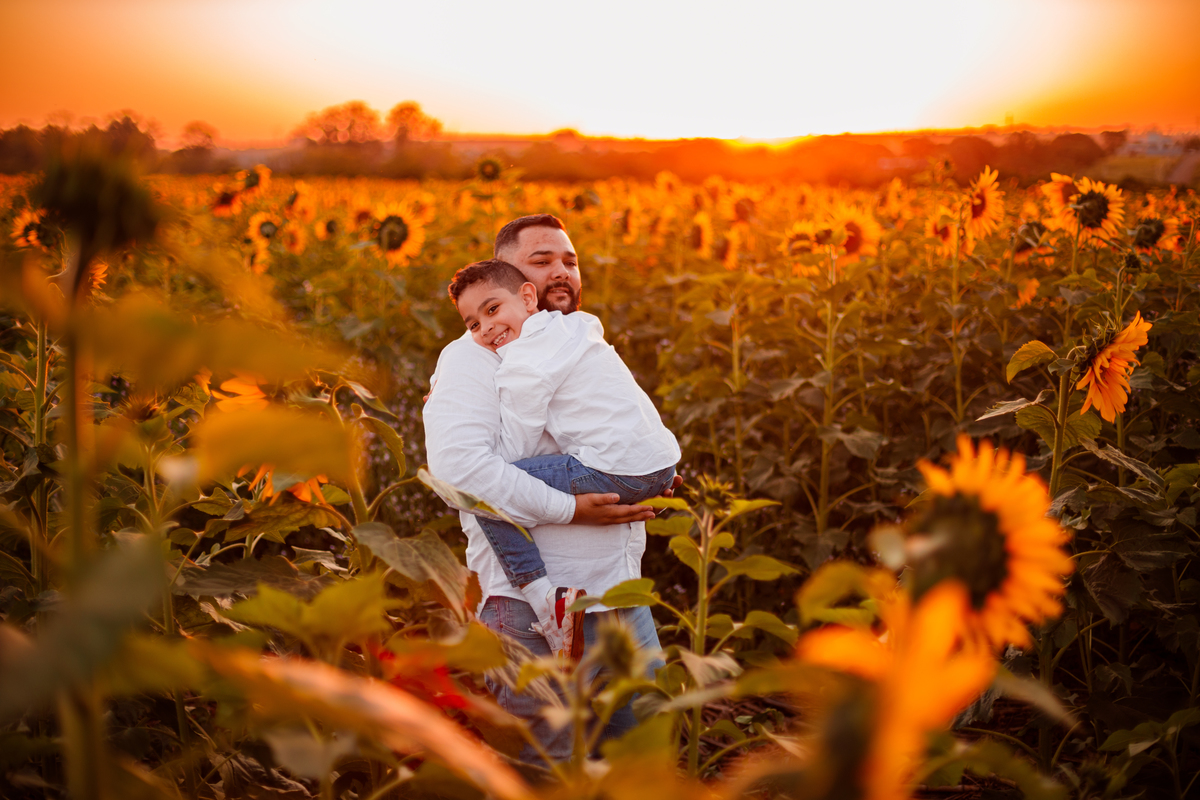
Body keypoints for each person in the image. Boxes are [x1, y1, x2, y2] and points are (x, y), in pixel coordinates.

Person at [422, 214, 673, 764]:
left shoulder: (569, 340)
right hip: (530, 617)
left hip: (619, 600)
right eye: (541, 260)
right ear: (509, 277)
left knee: (642, 767)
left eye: (570, 260)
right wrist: (570, 508)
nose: (561, 271)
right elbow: (458, 472)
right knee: (547, 773)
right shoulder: (472, 356)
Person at [446, 258, 680, 660]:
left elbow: (515, 450)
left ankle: (544, 601)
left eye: (492, 310)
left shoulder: (526, 359)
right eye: (472, 324)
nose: (484, 328)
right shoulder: (578, 327)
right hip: (661, 466)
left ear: (526, 297)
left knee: (486, 496)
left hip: (614, 472)